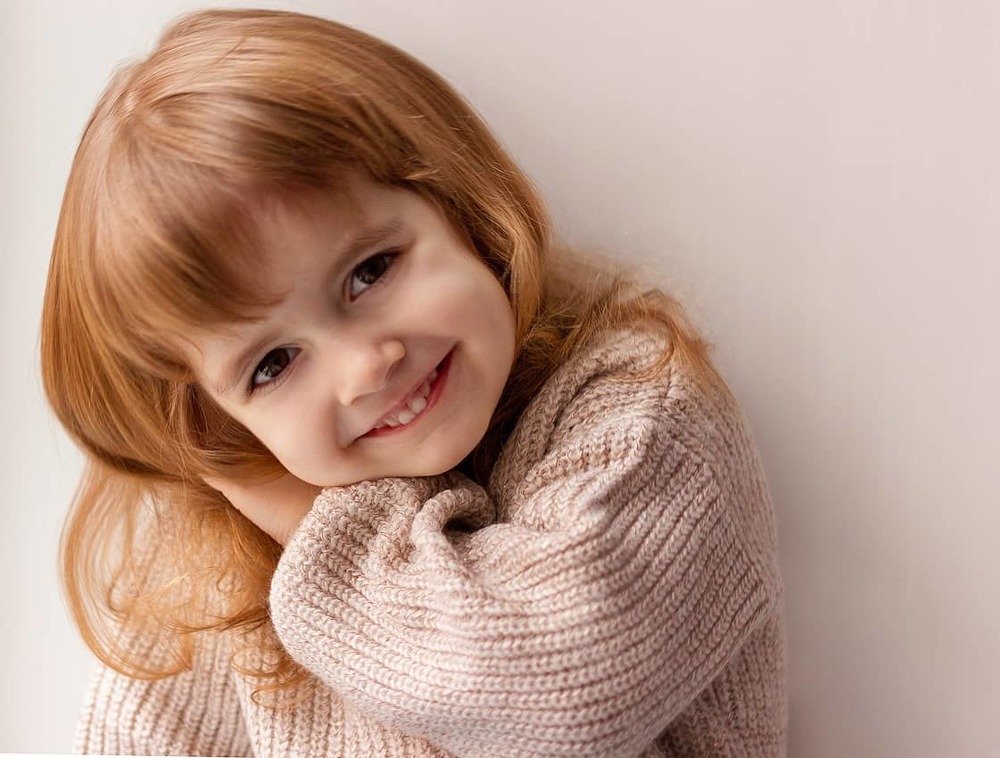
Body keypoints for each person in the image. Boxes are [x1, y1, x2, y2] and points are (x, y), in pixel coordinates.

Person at [40, 8, 787, 757]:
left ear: (460, 206)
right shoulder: (224, 549)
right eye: (273, 364)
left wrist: (323, 537)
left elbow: (563, 699)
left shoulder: (644, 413)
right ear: (220, 422)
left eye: (370, 271)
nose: (364, 366)